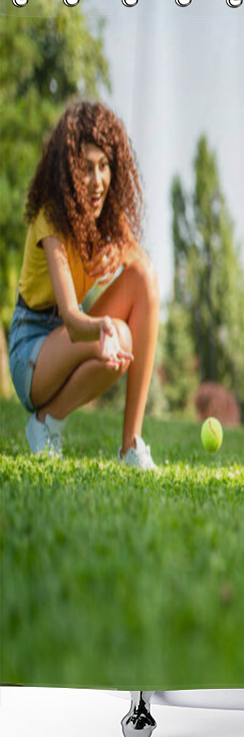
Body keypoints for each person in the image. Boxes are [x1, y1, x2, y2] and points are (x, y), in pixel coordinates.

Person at [7, 100, 159, 468]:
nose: (97, 181)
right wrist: (104, 327)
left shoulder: (106, 215)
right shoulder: (50, 218)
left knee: (144, 277)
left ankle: (131, 446)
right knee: (118, 338)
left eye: (104, 166)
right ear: (67, 170)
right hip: (32, 351)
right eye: (86, 168)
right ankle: (44, 422)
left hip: (64, 339)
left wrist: (121, 252)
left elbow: (143, 275)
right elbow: (73, 319)